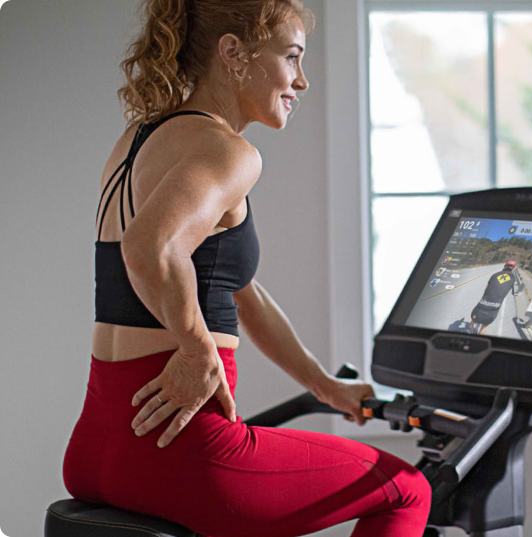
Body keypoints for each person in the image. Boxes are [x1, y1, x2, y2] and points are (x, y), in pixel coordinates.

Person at [61, 1, 431, 536]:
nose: (301, 81)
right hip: (177, 449)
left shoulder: (139, 138)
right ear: (233, 53)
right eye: (292, 57)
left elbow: (239, 291)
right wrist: (196, 349)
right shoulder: (229, 152)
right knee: (406, 489)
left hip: (96, 448)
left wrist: (325, 386)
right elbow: (148, 248)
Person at [468, 261, 517, 335]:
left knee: (474, 316)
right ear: (512, 269)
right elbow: (506, 292)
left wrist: (484, 298)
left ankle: (470, 327)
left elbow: (486, 288)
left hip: (484, 301)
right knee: (484, 326)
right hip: (495, 305)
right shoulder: (513, 278)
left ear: (504, 266)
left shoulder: (495, 275)